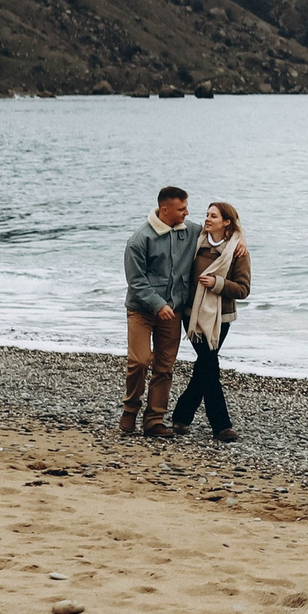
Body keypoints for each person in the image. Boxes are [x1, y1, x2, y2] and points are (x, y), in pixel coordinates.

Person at [122, 186, 201, 437]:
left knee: (165, 367)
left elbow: (221, 231)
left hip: (174, 312)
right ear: (165, 210)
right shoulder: (139, 240)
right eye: (181, 209)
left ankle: (154, 420)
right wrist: (158, 304)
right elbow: (136, 281)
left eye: (186, 207)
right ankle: (130, 409)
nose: (187, 213)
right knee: (140, 361)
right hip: (141, 311)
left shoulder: (191, 232)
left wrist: (239, 241)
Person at [170, 201, 252, 441]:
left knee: (206, 364)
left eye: (213, 216)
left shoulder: (237, 251)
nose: (207, 219)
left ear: (226, 222)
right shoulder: (197, 241)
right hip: (191, 314)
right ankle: (221, 426)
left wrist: (217, 284)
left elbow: (244, 289)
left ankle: (182, 416)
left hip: (220, 317)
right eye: (207, 214)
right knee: (208, 363)